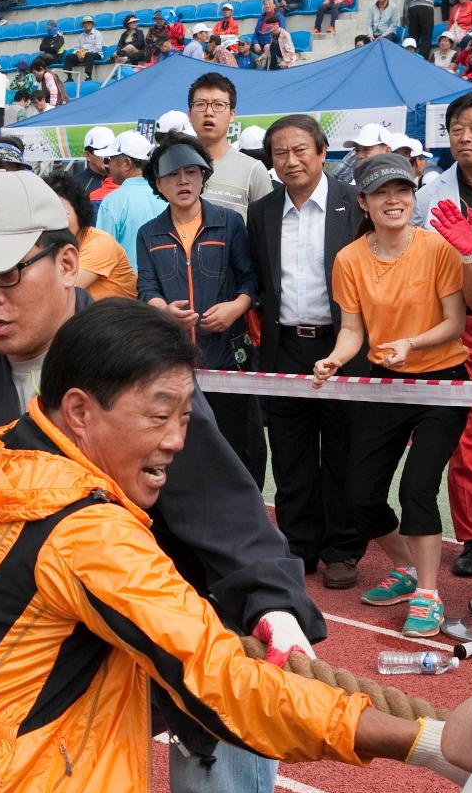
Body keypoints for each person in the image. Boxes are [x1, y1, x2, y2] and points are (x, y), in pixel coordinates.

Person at [0, 298, 464, 793]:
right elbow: (222, 683)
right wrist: (425, 741)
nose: (178, 441)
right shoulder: (86, 532)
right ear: (79, 410)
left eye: (185, 417)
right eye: (160, 416)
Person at [313, 154, 469, 639]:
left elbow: (455, 324)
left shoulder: (438, 249)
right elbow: (352, 332)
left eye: (401, 191)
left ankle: (428, 595)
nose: (393, 200)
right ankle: (405, 569)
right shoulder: (349, 259)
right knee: (360, 494)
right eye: (381, 193)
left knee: (418, 488)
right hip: (387, 385)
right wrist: (334, 359)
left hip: (443, 383)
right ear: (364, 202)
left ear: (413, 196)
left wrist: (412, 343)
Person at [248, 114, 368, 589]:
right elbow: (261, 281)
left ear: (322, 153)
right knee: (291, 453)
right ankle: (298, 546)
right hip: (284, 348)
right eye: (280, 153)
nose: (291, 160)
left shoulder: (352, 204)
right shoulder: (261, 211)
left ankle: (342, 548)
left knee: (343, 449)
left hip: (342, 344)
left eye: (301, 150)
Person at [137, 134, 262, 486]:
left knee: (239, 444)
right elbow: (145, 287)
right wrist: (162, 310)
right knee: (183, 449)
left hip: (227, 355)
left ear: (204, 176)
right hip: (174, 359)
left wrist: (235, 308)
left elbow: (251, 281)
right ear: (157, 184)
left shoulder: (229, 222)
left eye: (192, 172)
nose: (183, 182)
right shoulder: (150, 233)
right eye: (172, 175)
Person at [418, 92, 472, 577]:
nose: (465, 137)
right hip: (465, 327)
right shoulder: (431, 193)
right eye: (457, 128)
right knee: (470, 441)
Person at [188, 74, 274, 221]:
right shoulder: (174, 167)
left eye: (218, 105)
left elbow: (267, 227)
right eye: (201, 104)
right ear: (189, 114)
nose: (209, 112)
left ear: (232, 115)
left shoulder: (253, 169)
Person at [48, 171, 137, 300]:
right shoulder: (54, 246)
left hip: (116, 318)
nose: (56, 221)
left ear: (79, 212)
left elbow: (63, 291)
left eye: (63, 213)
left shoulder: (100, 243)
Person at [94, 130, 165, 272]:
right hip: (165, 285)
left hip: (126, 289)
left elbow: (102, 257)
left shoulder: (112, 202)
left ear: (126, 164)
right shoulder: (165, 195)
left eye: (110, 159)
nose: (108, 165)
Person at [74, 126, 114, 193]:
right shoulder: (75, 185)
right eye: (103, 150)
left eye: (112, 150)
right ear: (88, 155)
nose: (108, 155)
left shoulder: (123, 181)